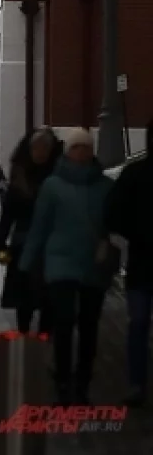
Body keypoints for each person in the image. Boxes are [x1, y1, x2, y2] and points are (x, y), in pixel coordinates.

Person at [20, 127, 115, 405]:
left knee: (89, 325)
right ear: (68, 151)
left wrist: (107, 246)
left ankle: (82, 382)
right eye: (77, 147)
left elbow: (112, 224)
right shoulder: (53, 186)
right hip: (59, 262)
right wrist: (27, 264)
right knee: (63, 321)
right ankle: (62, 380)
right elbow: (40, 227)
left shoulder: (105, 187)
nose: (82, 152)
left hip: (92, 264)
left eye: (86, 147)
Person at [107, 118, 153, 407]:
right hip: (142, 260)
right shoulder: (135, 174)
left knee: (138, 324)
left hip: (141, 260)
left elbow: (114, 213)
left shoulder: (134, 173)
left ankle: (138, 383)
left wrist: (134, 233)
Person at [0, 128, 61, 334]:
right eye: (36, 147)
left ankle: (44, 339)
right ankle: (26, 339)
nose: (40, 152)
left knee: (49, 300)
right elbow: (7, 216)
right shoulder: (19, 181)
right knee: (24, 300)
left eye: (45, 148)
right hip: (23, 244)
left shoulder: (59, 178)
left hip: (52, 245)